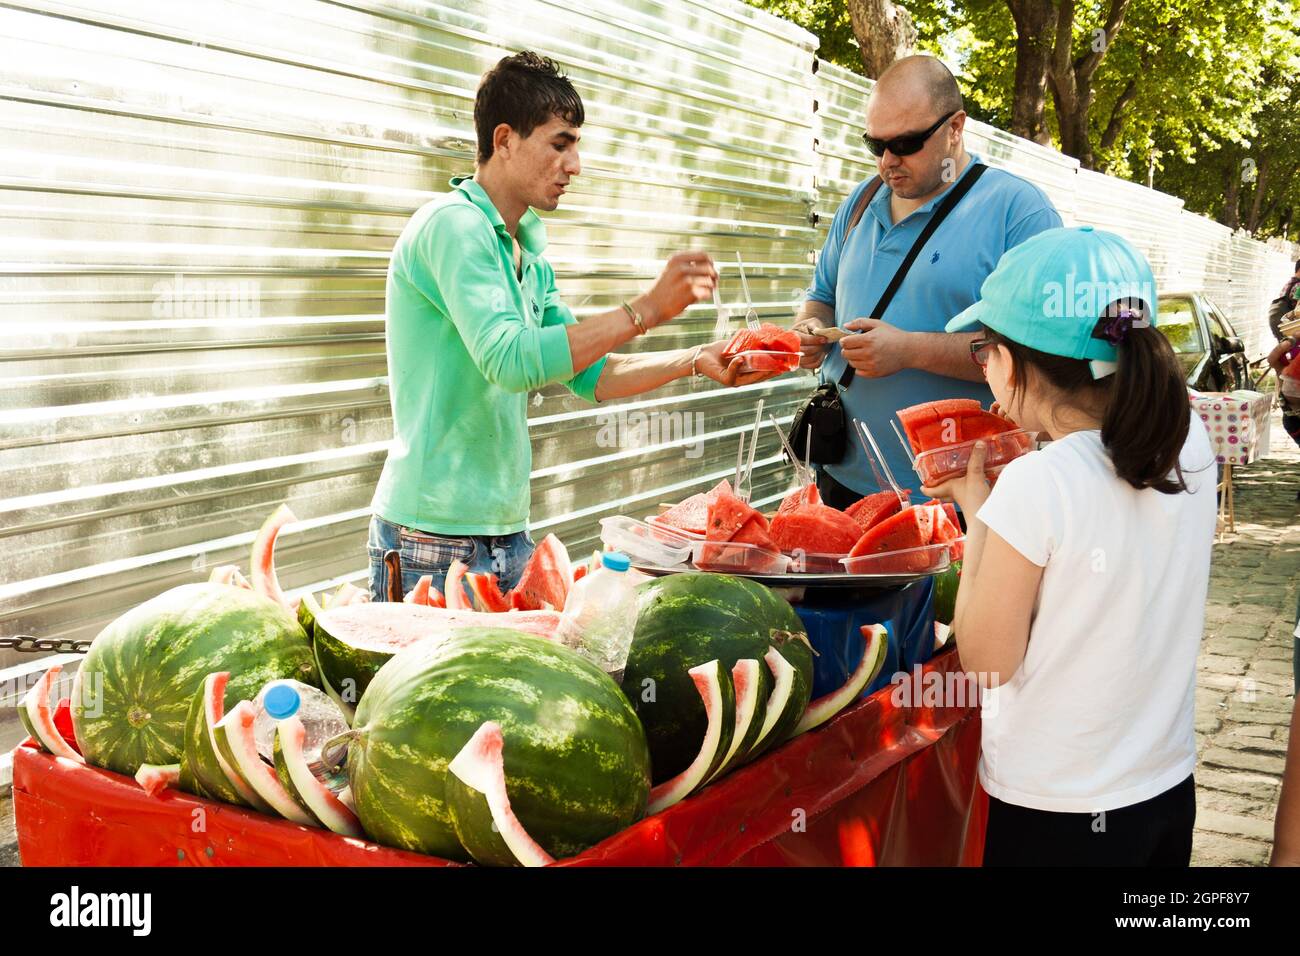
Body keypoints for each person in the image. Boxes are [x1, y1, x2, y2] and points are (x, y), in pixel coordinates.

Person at [367, 52, 775, 600]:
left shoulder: (525, 247)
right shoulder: (453, 227)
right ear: (505, 139)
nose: (575, 165)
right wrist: (645, 311)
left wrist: (693, 359)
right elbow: (510, 360)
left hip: (504, 530)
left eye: (576, 145)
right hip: (431, 534)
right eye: (560, 144)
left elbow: (593, 375)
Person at [925, 226, 1217, 866]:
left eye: (984, 350)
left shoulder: (1037, 484)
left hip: (1058, 811)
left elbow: (987, 663)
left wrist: (980, 517)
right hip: (1164, 787)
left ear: (1014, 361)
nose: (984, 368)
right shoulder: (1190, 440)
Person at [793, 55, 1062, 508]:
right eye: (874, 145)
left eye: (906, 143)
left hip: (964, 498)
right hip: (843, 480)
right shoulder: (861, 202)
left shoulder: (1018, 211)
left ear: (955, 127)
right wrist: (809, 331)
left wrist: (910, 350)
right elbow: (820, 298)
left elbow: (1040, 355)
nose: (887, 162)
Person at [1267, 260, 1300, 341]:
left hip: (1276, 320)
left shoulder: (1290, 282)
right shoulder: (1298, 285)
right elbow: (1297, 309)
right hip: (1283, 323)